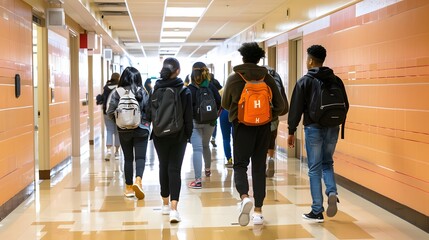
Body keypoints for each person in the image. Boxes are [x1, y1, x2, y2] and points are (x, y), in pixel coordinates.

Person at [222, 42, 285, 226]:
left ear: (243, 58)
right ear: (259, 59)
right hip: (263, 127)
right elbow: (281, 106)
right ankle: (258, 211)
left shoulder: (234, 79)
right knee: (258, 167)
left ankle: (244, 197)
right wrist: (267, 116)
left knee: (240, 165)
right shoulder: (267, 77)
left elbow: (225, 104)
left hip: (241, 127)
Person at [287, 45, 349, 223]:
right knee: (327, 162)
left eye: (307, 58)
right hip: (333, 126)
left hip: (313, 127)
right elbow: (346, 104)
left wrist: (291, 131)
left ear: (311, 60)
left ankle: (316, 210)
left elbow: (296, 109)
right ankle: (331, 191)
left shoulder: (305, 80)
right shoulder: (336, 80)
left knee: (314, 168)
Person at [151, 57, 193, 223]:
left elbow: (149, 112)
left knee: (163, 166)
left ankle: (165, 204)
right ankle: (174, 210)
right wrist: (187, 136)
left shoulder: (156, 88)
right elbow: (188, 117)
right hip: (178, 135)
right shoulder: (184, 91)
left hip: (159, 135)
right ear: (178, 71)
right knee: (174, 169)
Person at [106, 67, 151, 200]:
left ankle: (129, 188)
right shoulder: (142, 91)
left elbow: (109, 112)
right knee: (140, 158)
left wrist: (120, 121)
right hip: (141, 129)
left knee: (128, 158)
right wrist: (146, 122)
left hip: (124, 130)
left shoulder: (116, 92)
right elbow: (149, 111)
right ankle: (138, 180)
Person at [188, 62, 221, 188]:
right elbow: (219, 102)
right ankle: (207, 170)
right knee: (206, 145)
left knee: (197, 149)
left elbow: (187, 108)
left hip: (195, 122)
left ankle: (197, 181)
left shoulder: (190, 89)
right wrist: (213, 116)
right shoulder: (211, 86)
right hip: (210, 123)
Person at [264, 66, 289, 177]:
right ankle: (271, 158)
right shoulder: (276, 76)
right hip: (274, 113)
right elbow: (281, 96)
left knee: (261, 139)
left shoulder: (259, 77)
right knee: (272, 138)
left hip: (260, 114)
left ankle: (262, 163)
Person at [99, 73, 121, 161]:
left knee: (109, 130)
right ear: (119, 78)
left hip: (107, 112)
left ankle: (108, 151)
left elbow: (103, 99)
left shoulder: (106, 87)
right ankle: (116, 152)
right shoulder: (120, 87)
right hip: (118, 113)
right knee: (117, 132)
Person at [218, 88, 233, 167]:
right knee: (236, 138)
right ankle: (238, 159)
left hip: (223, 113)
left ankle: (229, 159)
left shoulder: (221, 92)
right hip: (234, 112)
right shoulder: (235, 89)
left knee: (226, 138)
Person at [209, 73, 222, 148]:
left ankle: (206, 138)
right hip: (214, 106)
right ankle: (213, 137)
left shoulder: (206, 85)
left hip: (205, 107)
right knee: (214, 123)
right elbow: (221, 89)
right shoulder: (215, 82)